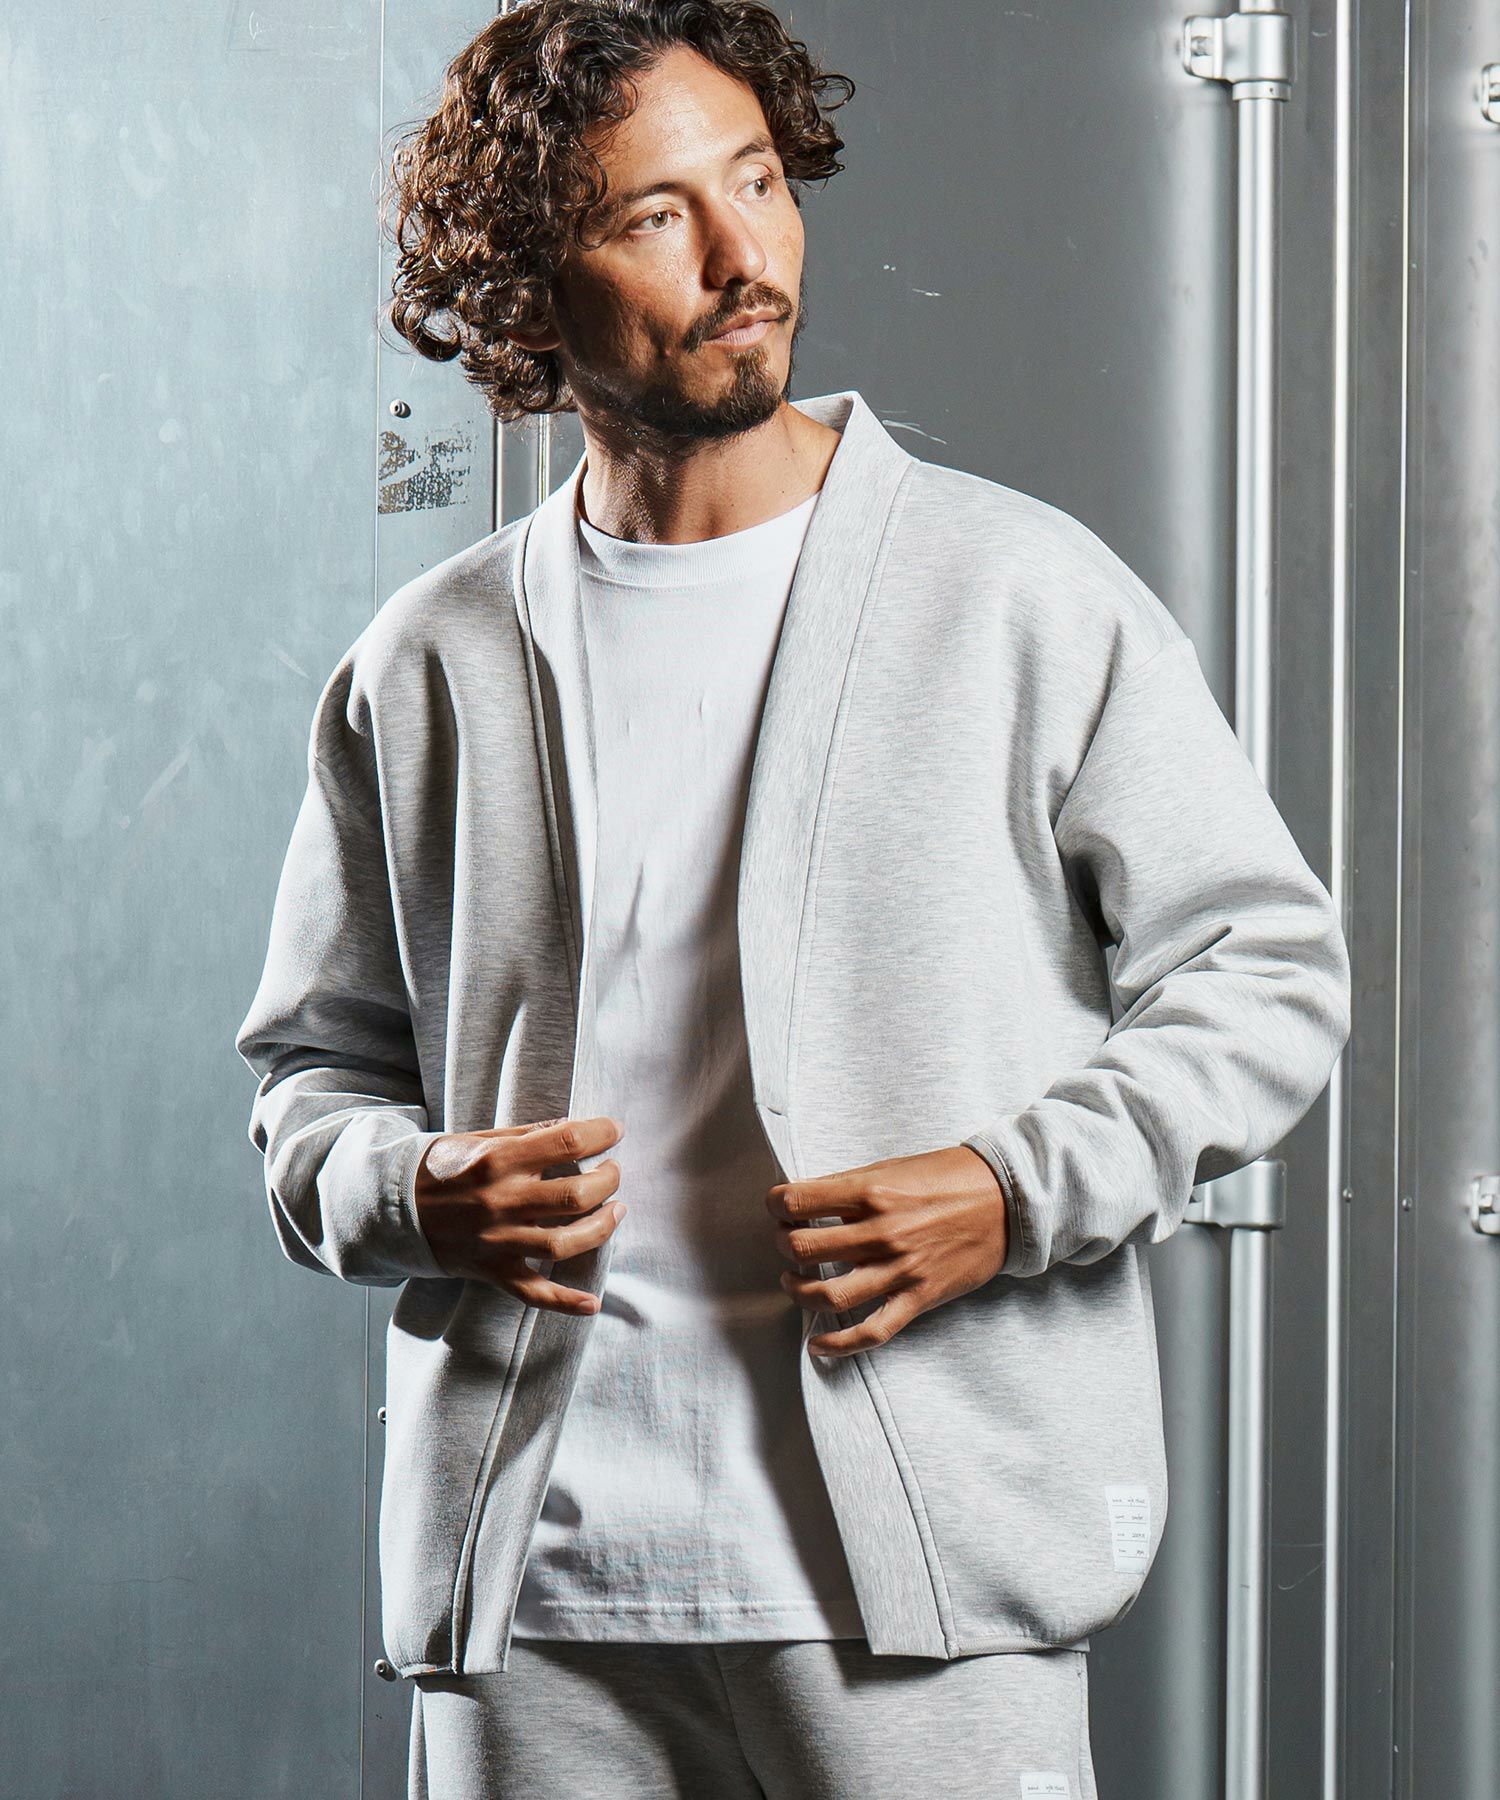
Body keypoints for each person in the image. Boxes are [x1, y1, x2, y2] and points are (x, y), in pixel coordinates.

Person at [234, 3, 1352, 1794]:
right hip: (535, 1613)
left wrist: (1014, 1188)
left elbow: (1269, 968)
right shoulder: (427, 661)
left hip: (924, 1596)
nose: (745, 257)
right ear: (531, 286)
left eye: (757, 180)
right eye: (657, 214)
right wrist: (413, 1188)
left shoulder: (1014, 593)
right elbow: (311, 1077)